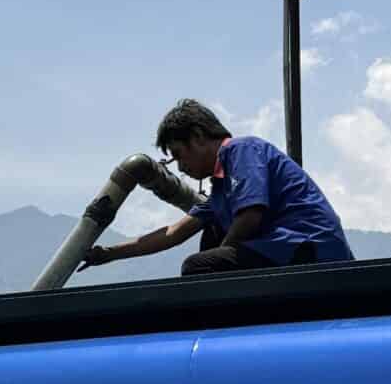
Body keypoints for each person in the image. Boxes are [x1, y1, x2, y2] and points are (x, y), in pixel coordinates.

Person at [79, 98, 353, 281]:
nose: (181, 167)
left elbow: (250, 215)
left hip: (308, 248)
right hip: (284, 251)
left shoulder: (242, 150)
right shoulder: (220, 191)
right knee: (211, 233)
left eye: (179, 154)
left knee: (199, 266)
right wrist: (108, 254)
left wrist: (219, 271)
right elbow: (173, 233)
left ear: (198, 136)